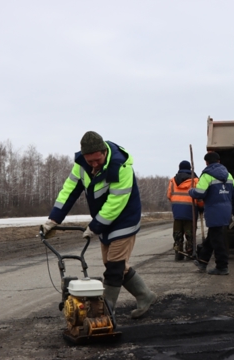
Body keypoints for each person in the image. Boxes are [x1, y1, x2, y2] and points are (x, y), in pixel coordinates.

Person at [41, 131, 156, 319]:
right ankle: (145, 295)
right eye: (90, 161)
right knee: (114, 265)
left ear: (104, 152)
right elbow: (68, 191)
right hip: (105, 221)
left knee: (114, 266)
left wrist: (94, 227)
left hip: (125, 218)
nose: (94, 165)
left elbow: (115, 203)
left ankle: (106, 312)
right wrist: (53, 219)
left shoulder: (121, 165)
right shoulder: (81, 166)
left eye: (97, 160)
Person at [189, 151, 234, 275]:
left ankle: (222, 267)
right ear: (219, 161)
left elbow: (200, 193)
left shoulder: (206, 175)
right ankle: (203, 261)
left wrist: (191, 191)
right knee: (212, 237)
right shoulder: (228, 175)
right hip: (226, 211)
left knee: (218, 240)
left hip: (213, 211)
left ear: (206, 162)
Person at [167, 160, 204, 260]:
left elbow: (169, 195)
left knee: (177, 232)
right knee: (190, 232)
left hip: (177, 211)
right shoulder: (195, 181)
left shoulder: (173, 180)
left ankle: (178, 252)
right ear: (190, 168)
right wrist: (201, 207)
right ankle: (190, 251)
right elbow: (199, 197)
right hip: (191, 211)